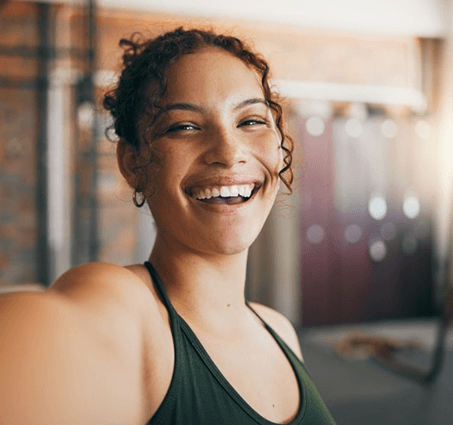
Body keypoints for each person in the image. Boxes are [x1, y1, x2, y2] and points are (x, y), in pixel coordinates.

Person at [0, 27, 336, 424]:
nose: (230, 153)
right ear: (133, 163)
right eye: (184, 127)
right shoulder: (126, 316)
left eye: (250, 121)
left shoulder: (279, 331)